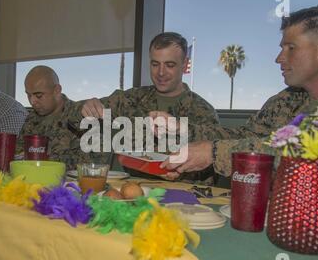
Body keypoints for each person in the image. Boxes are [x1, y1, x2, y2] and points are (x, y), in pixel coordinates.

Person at [161, 4, 318, 204]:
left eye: (291, 48)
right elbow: (246, 135)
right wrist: (184, 130)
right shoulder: (286, 100)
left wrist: (213, 152)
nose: (278, 58)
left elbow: (307, 152)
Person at [69, 32, 220, 181]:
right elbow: (71, 117)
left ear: (185, 65)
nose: (161, 72)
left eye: (170, 65)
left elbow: (212, 165)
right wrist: (86, 107)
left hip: (179, 197)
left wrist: (181, 173)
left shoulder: (203, 111)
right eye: (155, 64)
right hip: (128, 190)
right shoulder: (129, 99)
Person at [18, 65, 89, 168]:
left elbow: (88, 166)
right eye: (29, 95)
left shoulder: (81, 116)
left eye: (39, 95)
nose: (32, 101)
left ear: (56, 90)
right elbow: (19, 152)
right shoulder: (31, 119)